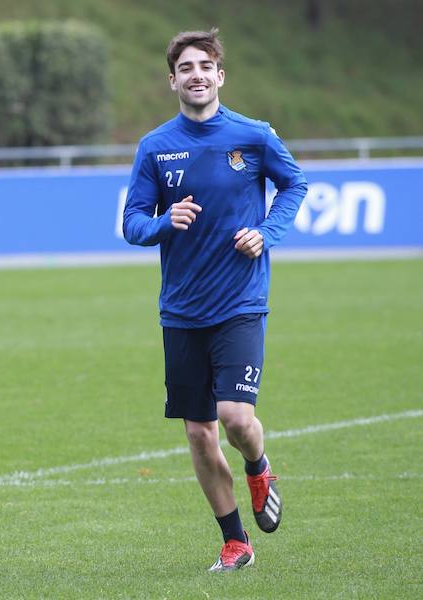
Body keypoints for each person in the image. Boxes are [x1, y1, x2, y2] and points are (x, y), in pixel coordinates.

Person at [122, 29, 306, 572]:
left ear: (220, 76)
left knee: (235, 419)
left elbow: (294, 185)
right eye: (186, 67)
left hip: (240, 303)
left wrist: (267, 233)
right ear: (172, 80)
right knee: (199, 433)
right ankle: (235, 542)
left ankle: (258, 466)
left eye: (205, 65)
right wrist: (164, 222)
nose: (196, 74)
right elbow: (133, 223)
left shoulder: (254, 136)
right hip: (181, 310)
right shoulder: (155, 146)